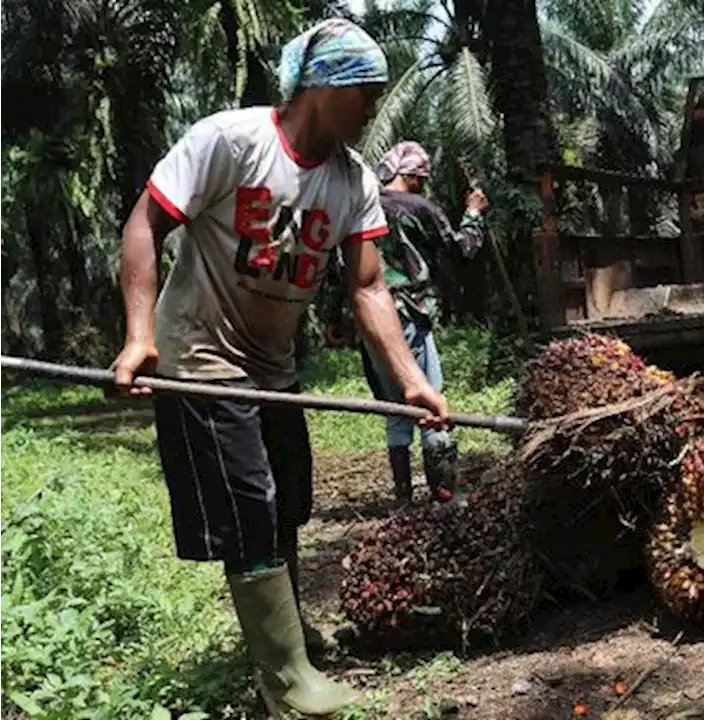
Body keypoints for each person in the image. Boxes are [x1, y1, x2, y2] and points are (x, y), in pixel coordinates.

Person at [109, 18, 449, 717]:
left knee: (288, 503)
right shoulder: (231, 140)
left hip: (273, 365)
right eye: (369, 94)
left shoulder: (352, 179)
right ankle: (285, 680)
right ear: (324, 86)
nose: (376, 109)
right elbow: (145, 223)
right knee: (250, 506)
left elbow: (367, 286)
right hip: (200, 355)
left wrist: (412, 381)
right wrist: (140, 335)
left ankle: (287, 638)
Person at [320, 140, 488, 505]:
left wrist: (334, 315)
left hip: (368, 320)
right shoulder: (420, 209)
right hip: (408, 313)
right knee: (429, 396)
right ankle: (443, 493)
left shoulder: (359, 207)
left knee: (396, 403)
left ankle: (403, 498)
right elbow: (463, 249)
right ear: (413, 175)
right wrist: (474, 213)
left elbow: (337, 267)